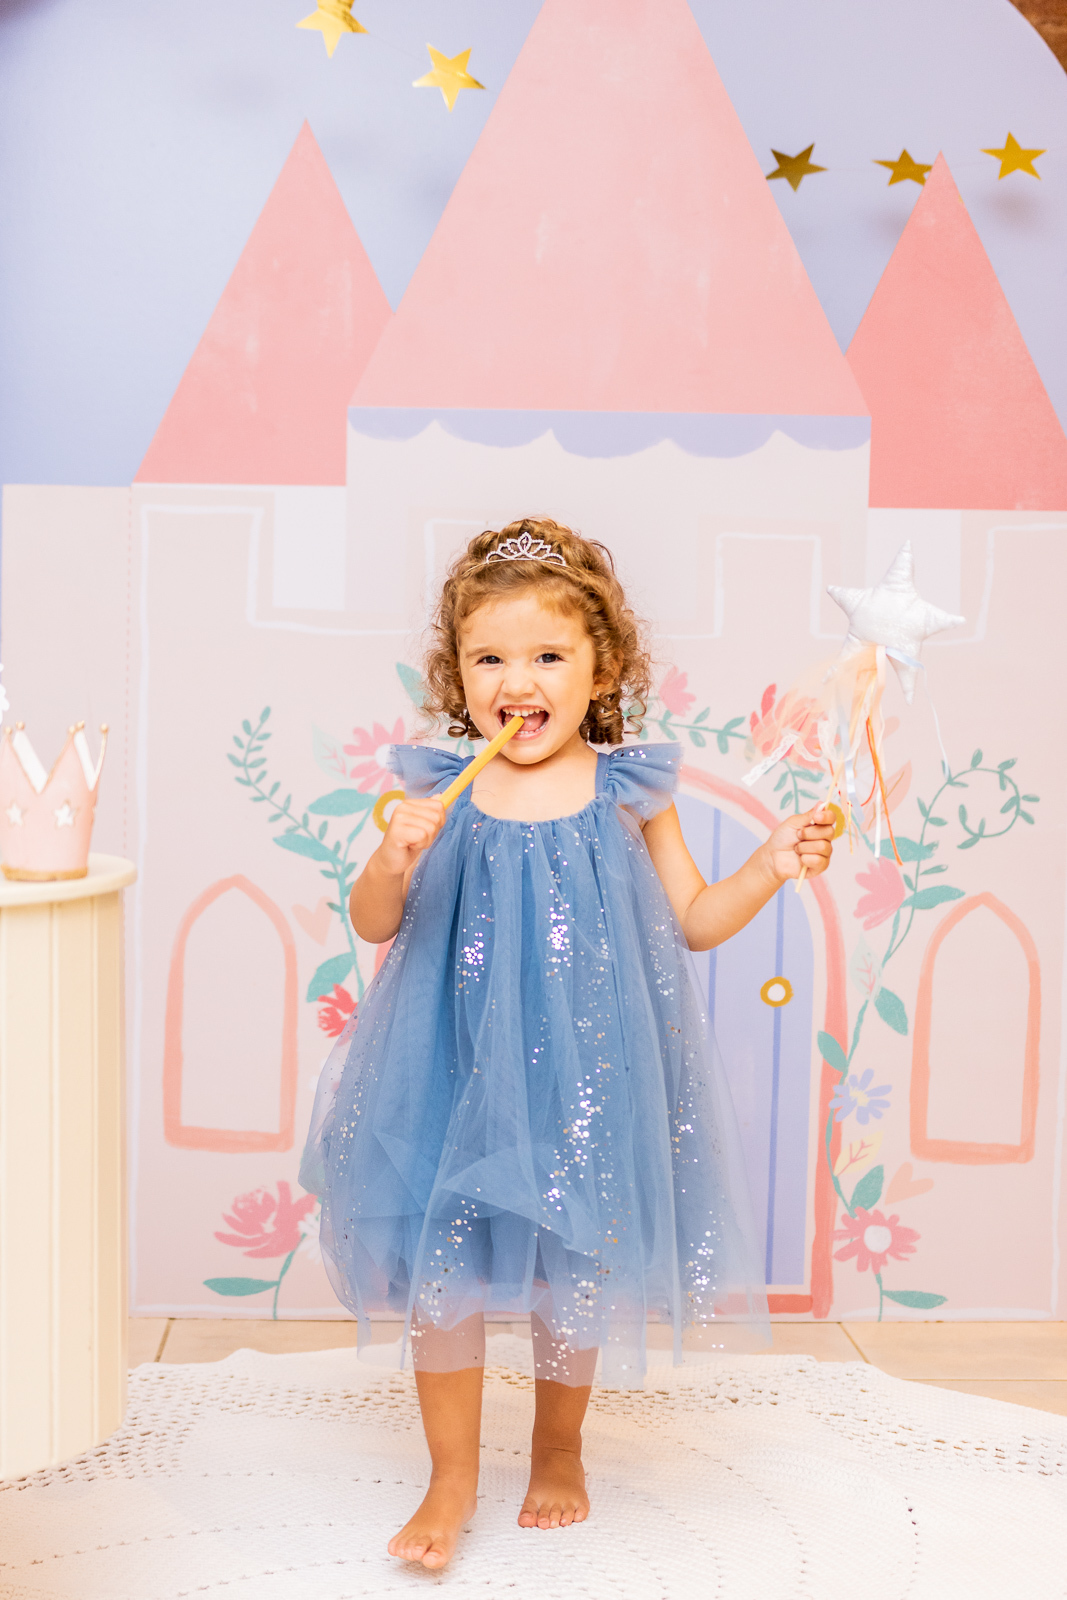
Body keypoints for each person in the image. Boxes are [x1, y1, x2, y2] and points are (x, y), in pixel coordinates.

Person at [300, 518, 835, 1569]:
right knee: (444, 1269)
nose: (517, 682)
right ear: (456, 674)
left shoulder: (629, 790)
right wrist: (390, 858)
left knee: (571, 1266)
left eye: (548, 655)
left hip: (586, 1074)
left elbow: (694, 918)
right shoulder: (439, 789)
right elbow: (373, 921)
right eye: (488, 658)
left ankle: (557, 1447)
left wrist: (770, 865)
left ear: (603, 667)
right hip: (448, 1067)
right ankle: (450, 1475)